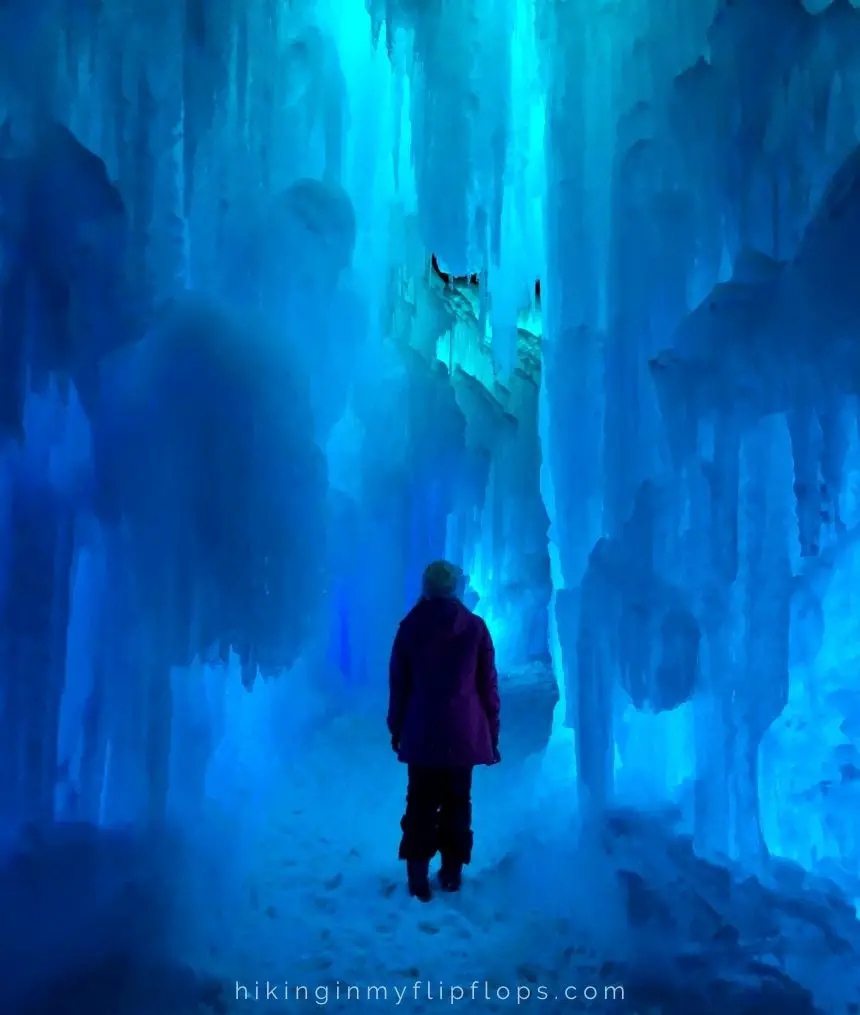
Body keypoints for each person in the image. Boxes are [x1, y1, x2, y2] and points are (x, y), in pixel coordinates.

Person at [387, 560, 501, 902]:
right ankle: (451, 872)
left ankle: (417, 875)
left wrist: (397, 727)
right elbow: (488, 687)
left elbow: (399, 685)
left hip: (422, 731)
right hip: (464, 733)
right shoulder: (475, 628)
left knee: (421, 802)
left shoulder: (410, 627)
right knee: (457, 803)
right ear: (456, 588)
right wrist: (490, 730)